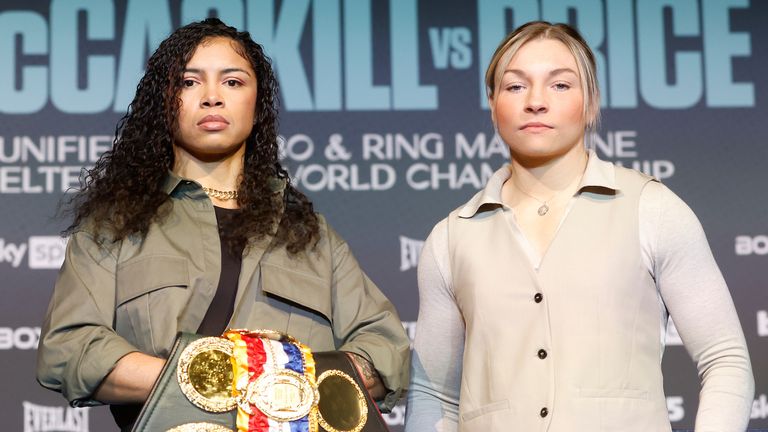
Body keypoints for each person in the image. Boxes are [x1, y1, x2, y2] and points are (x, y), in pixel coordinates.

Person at [36, 18, 410, 430]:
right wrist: (213, 378)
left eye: (233, 82)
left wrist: (286, 384)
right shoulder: (113, 227)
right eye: (189, 82)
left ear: (258, 102)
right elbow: (67, 349)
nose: (212, 97)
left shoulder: (310, 234)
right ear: (164, 100)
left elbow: (385, 349)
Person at [405, 21, 754, 432]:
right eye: (516, 87)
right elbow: (434, 395)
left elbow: (725, 360)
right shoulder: (451, 238)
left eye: (560, 85)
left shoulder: (652, 209)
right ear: (492, 102)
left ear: (590, 103)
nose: (536, 102)